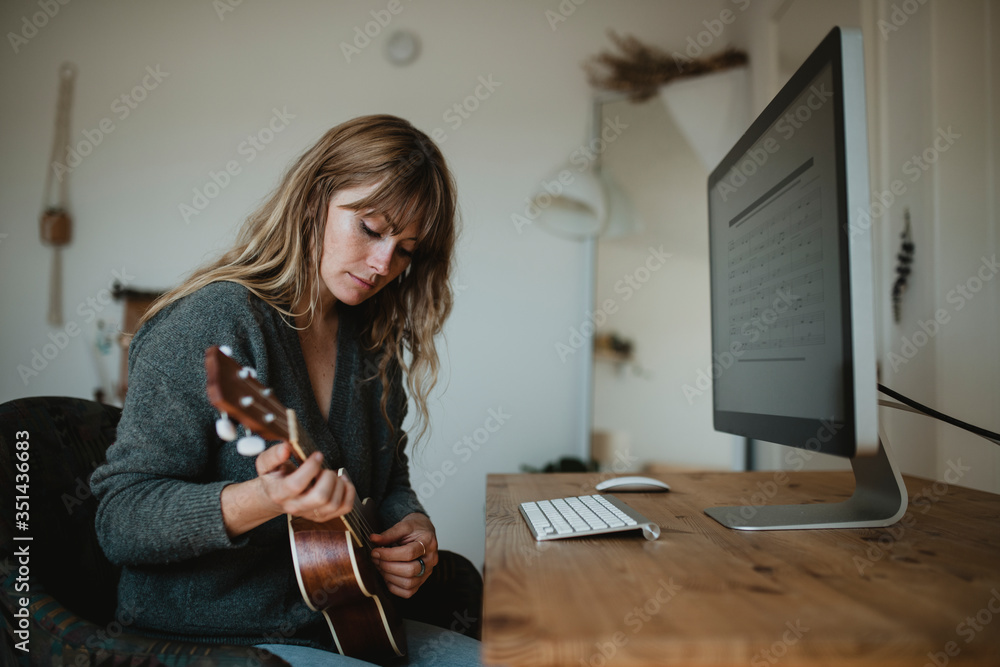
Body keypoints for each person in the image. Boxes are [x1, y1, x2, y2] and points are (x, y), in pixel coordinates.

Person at [91, 115, 481, 666]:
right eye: (371, 228)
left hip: (350, 628)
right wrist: (265, 498)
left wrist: (413, 528)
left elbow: (390, 480)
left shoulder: (370, 340)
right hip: (215, 644)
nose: (383, 264)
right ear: (313, 198)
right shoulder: (212, 322)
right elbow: (120, 520)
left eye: (406, 249)